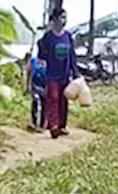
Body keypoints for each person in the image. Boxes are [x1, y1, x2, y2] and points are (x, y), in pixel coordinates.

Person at [37, 8, 79, 138]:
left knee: (63, 100)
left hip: (65, 74)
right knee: (53, 99)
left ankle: (62, 125)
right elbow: (42, 54)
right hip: (52, 74)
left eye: (65, 17)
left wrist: (75, 72)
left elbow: (72, 56)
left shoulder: (68, 36)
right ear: (55, 19)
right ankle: (53, 125)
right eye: (61, 17)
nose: (64, 20)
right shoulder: (48, 37)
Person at [24, 50, 46, 132]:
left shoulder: (49, 61)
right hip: (35, 86)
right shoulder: (33, 60)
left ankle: (42, 125)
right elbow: (28, 72)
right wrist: (27, 86)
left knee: (44, 105)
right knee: (35, 103)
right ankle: (34, 122)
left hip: (45, 86)